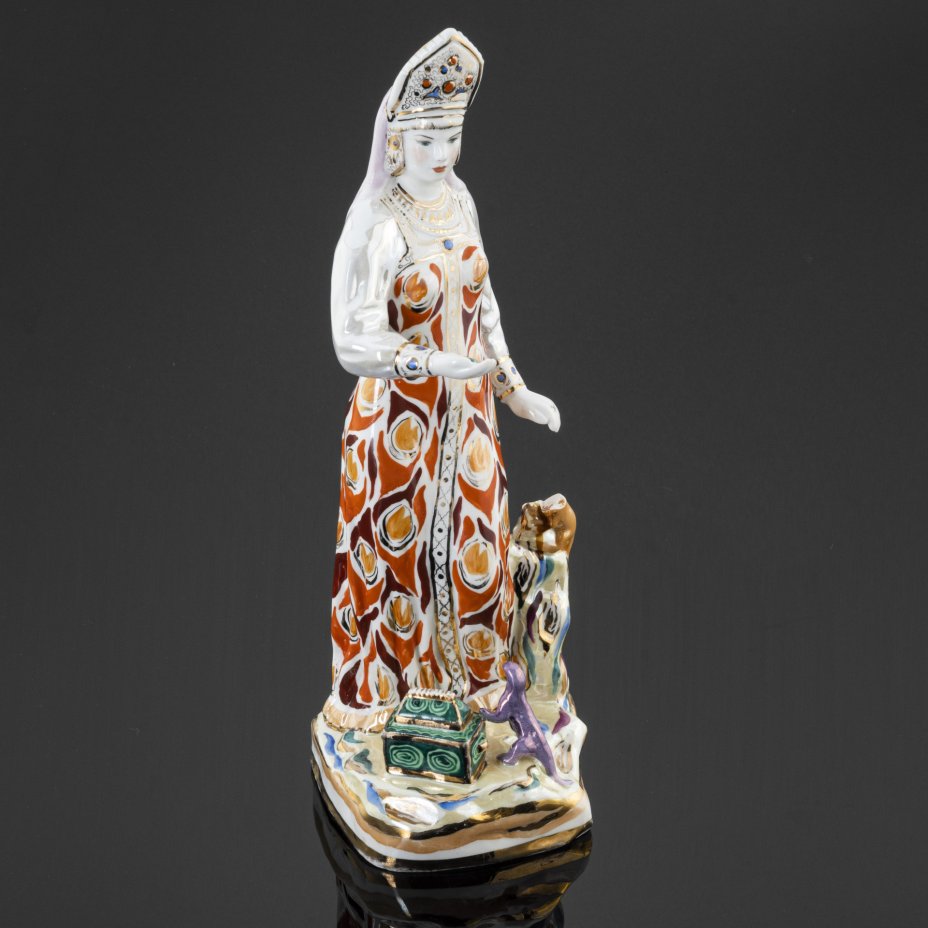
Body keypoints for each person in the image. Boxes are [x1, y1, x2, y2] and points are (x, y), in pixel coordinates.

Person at [325, 28, 560, 732]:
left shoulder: (460, 202)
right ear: (395, 140)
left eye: (451, 138)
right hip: (398, 425)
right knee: (397, 560)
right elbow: (351, 338)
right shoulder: (376, 223)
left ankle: (479, 683)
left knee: (476, 541)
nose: (440, 154)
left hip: (470, 415)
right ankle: (385, 695)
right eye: (426, 139)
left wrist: (513, 388)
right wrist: (429, 363)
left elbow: (484, 303)